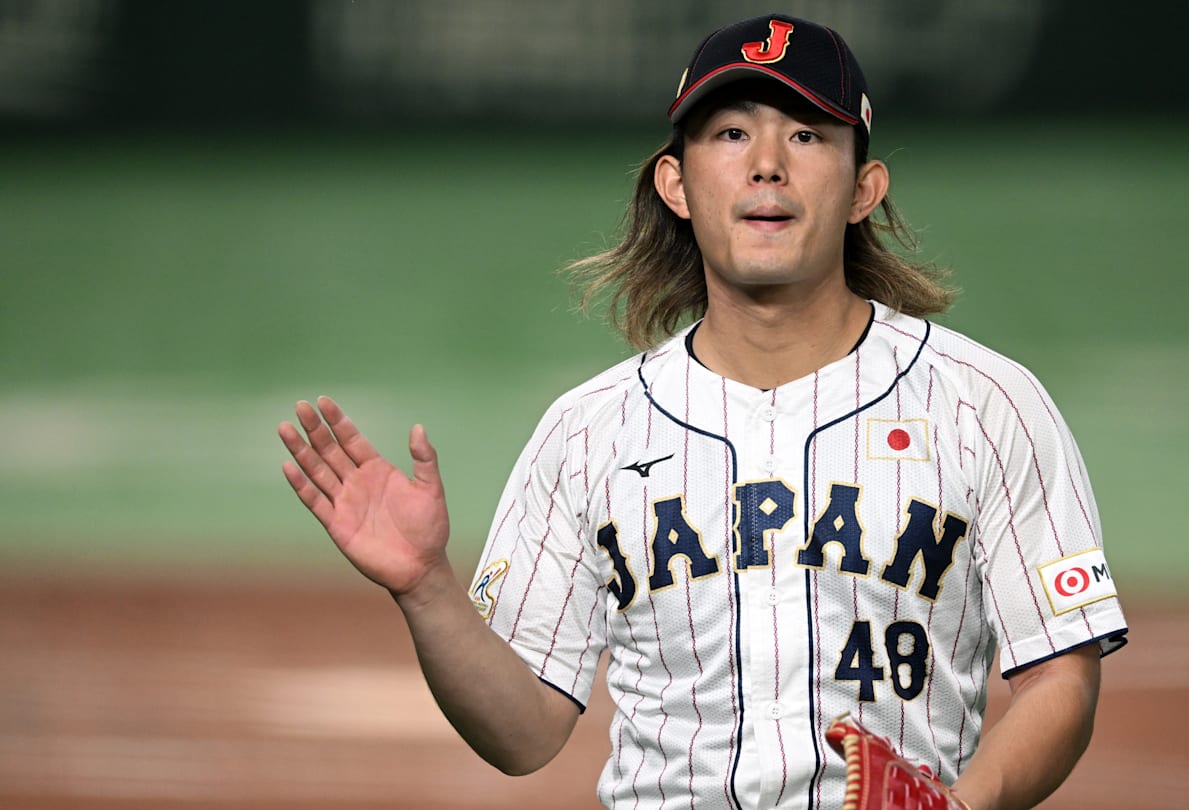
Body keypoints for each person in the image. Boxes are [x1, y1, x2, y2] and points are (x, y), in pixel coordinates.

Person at [278, 13, 1127, 810]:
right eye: (731, 134)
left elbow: (1061, 677)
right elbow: (524, 732)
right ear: (676, 183)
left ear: (865, 187)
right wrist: (427, 590)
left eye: (806, 135)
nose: (767, 163)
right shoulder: (589, 433)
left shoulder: (985, 404)